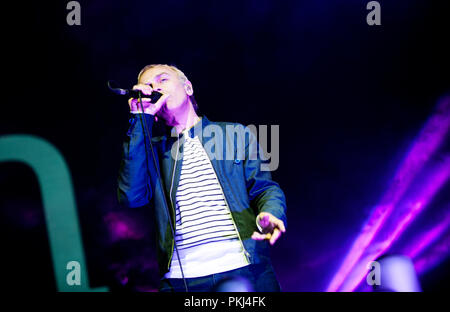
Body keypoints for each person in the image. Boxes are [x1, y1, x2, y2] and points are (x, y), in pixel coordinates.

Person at [117, 64, 287, 292]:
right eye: (148, 86)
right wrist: (140, 118)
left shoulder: (235, 134)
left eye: (162, 80)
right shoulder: (153, 152)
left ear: (188, 87)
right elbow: (131, 196)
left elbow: (265, 188)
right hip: (182, 280)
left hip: (244, 269)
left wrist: (270, 213)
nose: (155, 88)